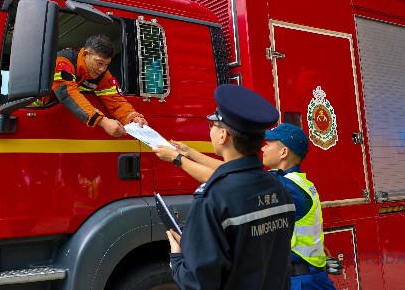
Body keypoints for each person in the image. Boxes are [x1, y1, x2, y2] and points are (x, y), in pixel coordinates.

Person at [153, 84, 296, 290]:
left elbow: (198, 282)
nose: (210, 129)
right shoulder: (278, 188)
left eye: (213, 124)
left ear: (223, 136)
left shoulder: (212, 198)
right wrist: (189, 153)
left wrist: (177, 257)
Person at [262, 123, 337, 290]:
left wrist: (189, 156)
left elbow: (233, 176)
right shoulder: (296, 182)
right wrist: (189, 153)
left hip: (301, 281)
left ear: (284, 152)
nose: (263, 149)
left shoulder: (287, 186)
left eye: (268, 144)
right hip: (308, 277)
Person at [38, 34, 147, 137]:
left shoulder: (102, 74)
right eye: (99, 63)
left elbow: (116, 101)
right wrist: (102, 121)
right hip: (36, 111)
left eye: (107, 64)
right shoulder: (63, 61)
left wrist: (133, 117)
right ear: (85, 55)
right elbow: (67, 93)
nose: (102, 69)